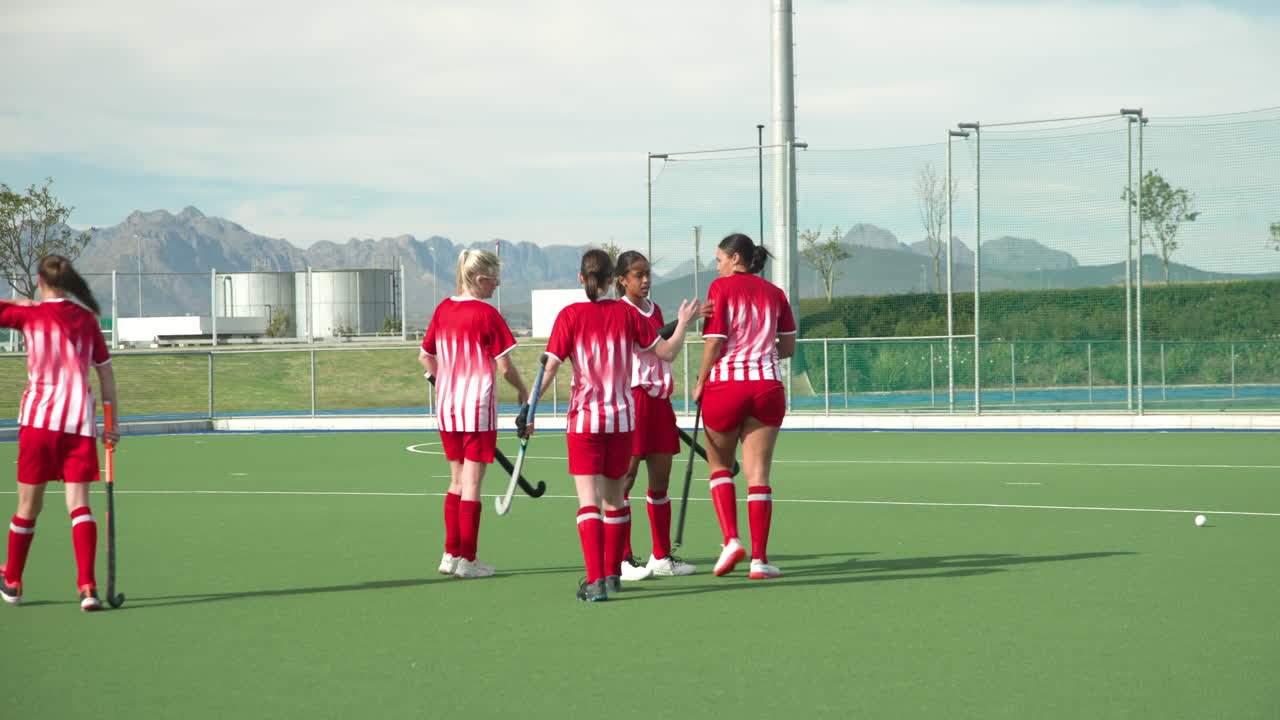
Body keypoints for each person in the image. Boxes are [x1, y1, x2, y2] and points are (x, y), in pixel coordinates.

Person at [524, 249, 697, 602]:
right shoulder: (627, 314)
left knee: (589, 501)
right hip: (622, 418)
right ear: (611, 279)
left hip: (585, 420)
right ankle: (612, 575)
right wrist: (683, 325)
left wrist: (528, 408)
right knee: (616, 500)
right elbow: (666, 353)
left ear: (580, 277)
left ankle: (595, 581)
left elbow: (551, 369)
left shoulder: (569, 315)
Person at [1, 255, 120, 610]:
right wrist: (112, 425)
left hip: (39, 425)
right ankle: (87, 588)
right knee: (79, 506)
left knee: (28, 506)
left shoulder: (30, 315)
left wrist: (13, 303)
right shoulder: (87, 320)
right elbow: (106, 374)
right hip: (79, 424)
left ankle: (13, 582)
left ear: (39, 280)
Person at [691, 233, 796, 580]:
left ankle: (730, 540)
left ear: (736, 258)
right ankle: (759, 560)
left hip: (726, 387)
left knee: (720, 466)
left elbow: (714, 343)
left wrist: (700, 381)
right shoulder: (776, 294)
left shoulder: (720, 289)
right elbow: (788, 347)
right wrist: (760, 353)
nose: (716, 264)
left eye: (719, 258)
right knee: (759, 475)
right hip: (767, 387)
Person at [420, 249, 528, 579]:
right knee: (472, 484)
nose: (497, 285)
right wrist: (524, 390)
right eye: (495, 280)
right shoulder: (486, 314)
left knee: (455, 480)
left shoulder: (443, 309)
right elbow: (505, 367)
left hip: (448, 409)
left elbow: (425, 358)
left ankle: (450, 553)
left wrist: (444, 383)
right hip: (477, 409)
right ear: (480, 280)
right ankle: (468, 558)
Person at [613, 251, 696, 580]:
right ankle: (621, 559)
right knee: (625, 482)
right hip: (634, 400)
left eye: (648, 274)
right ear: (622, 280)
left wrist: (680, 323)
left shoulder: (655, 309)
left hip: (660, 403)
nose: (646, 280)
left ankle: (660, 557)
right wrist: (685, 323)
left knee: (660, 482)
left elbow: (665, 354)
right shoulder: (620, 312)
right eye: (638, 275)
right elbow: (662, 349)